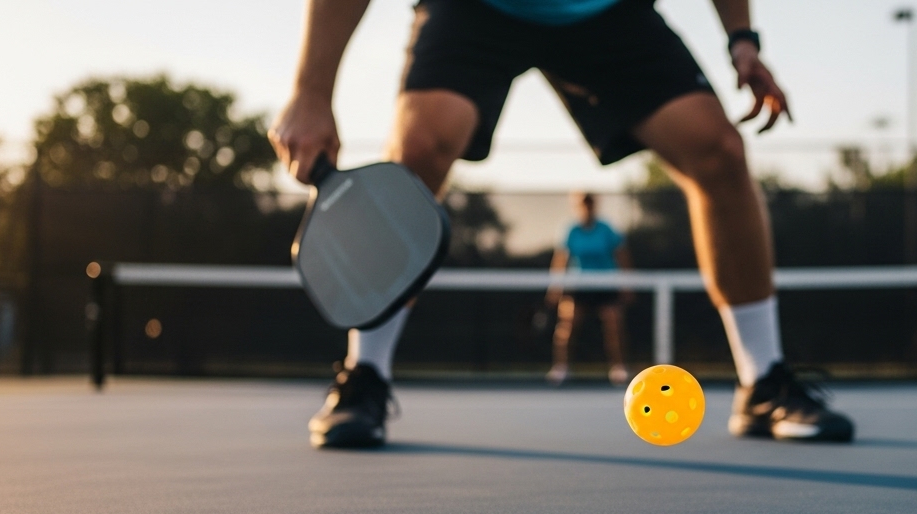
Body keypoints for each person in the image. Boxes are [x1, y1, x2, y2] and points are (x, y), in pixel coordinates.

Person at [270, 0, 854, 447]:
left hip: (602, 12)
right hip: (475, 11)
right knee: (420, 146)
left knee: (719, 150)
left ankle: (763, 382)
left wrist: (742, 40)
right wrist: (310, 90)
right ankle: (364, 375)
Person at [546, 192, 632, 386]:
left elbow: (622, 256)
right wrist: (555, 286)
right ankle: (561, 368)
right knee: (566, 326)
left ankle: (619, 368)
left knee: (614, 324)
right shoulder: (570, 230)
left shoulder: (606, 229)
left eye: (590, 203)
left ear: (595, 205)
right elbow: (561, 260)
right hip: (579, 285)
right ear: (576, 206)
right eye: (583, 204)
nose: (587, 207)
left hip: (606, 285)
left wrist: (626, 285)